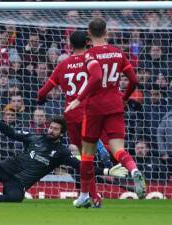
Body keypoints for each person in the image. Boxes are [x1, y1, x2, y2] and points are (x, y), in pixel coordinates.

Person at [0, 100, 128, 203]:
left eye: (55, 129)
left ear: (61, 133)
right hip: (5, 168)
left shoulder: (61, 153)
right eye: (50, 127)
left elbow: (81, 166)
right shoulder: (34, 137)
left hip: (19, 182)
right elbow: (10, 132)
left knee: (16, 198)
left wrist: (108, 172)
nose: (50, 130)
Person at [65, 18, 146, 207]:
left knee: (87, 153)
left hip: (94, 107)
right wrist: (124, 98)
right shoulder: (118, 53)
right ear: (106, 32)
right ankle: (133, 170)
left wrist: (78, 99)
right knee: (118, 149)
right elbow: (134, 81)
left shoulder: (88, 55)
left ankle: (85, 195)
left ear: (88, 34)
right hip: (115, 104)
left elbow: (95, 78)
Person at [38, 31, 110, 207]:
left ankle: (91, 196)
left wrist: (41, 99)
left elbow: (42, 92)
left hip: (71, 115)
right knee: (88, 157)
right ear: (87, 42)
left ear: (70, 45)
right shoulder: (92, 62)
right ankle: (93, 193)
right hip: (90, 113)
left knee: (84, 158)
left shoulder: (63, 65)